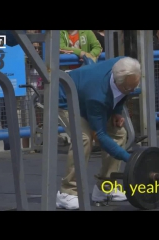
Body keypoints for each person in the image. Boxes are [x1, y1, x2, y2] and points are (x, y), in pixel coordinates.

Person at [56, 56, 141, 210]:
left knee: (119, 134)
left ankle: (105, 187)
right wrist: (131, 160)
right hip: (66, 99)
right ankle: (67, 192)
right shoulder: (98, 96)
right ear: (117, 82)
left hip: (88, 95)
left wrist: (116, 111)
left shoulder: (126, 66)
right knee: (84, 138)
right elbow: (100, 136)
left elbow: (124, 94)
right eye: (130, 88)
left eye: (135, 85)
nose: (133, 90)